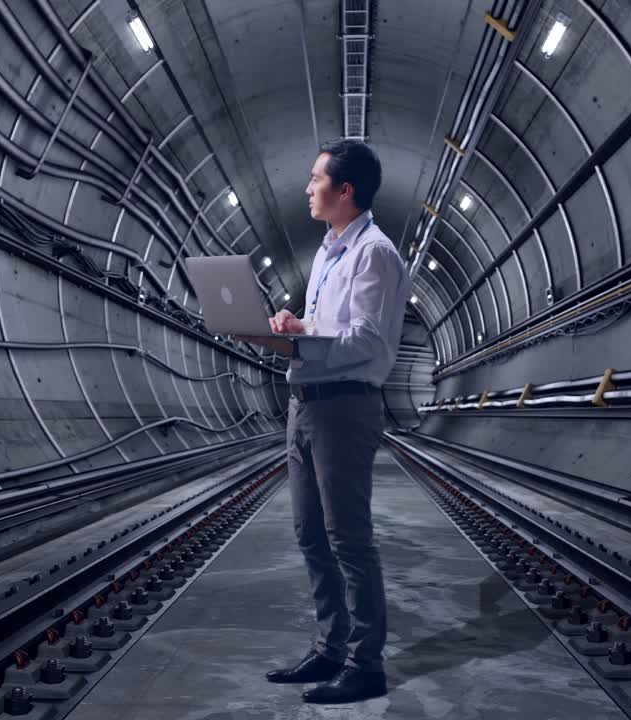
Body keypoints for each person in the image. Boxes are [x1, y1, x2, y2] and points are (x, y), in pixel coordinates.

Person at [236, 139, 410, 704]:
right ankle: (331, 647)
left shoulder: (374, 253)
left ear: (345, 189)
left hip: (344, 405)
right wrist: (296, 323)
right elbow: (327, 324)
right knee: (310, 534)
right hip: (305, 402)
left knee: (348, 539)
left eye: (316, 180)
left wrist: (297, 337)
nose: (307, 189)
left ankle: (366, 663)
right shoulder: (329, 251)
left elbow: (366, 339)